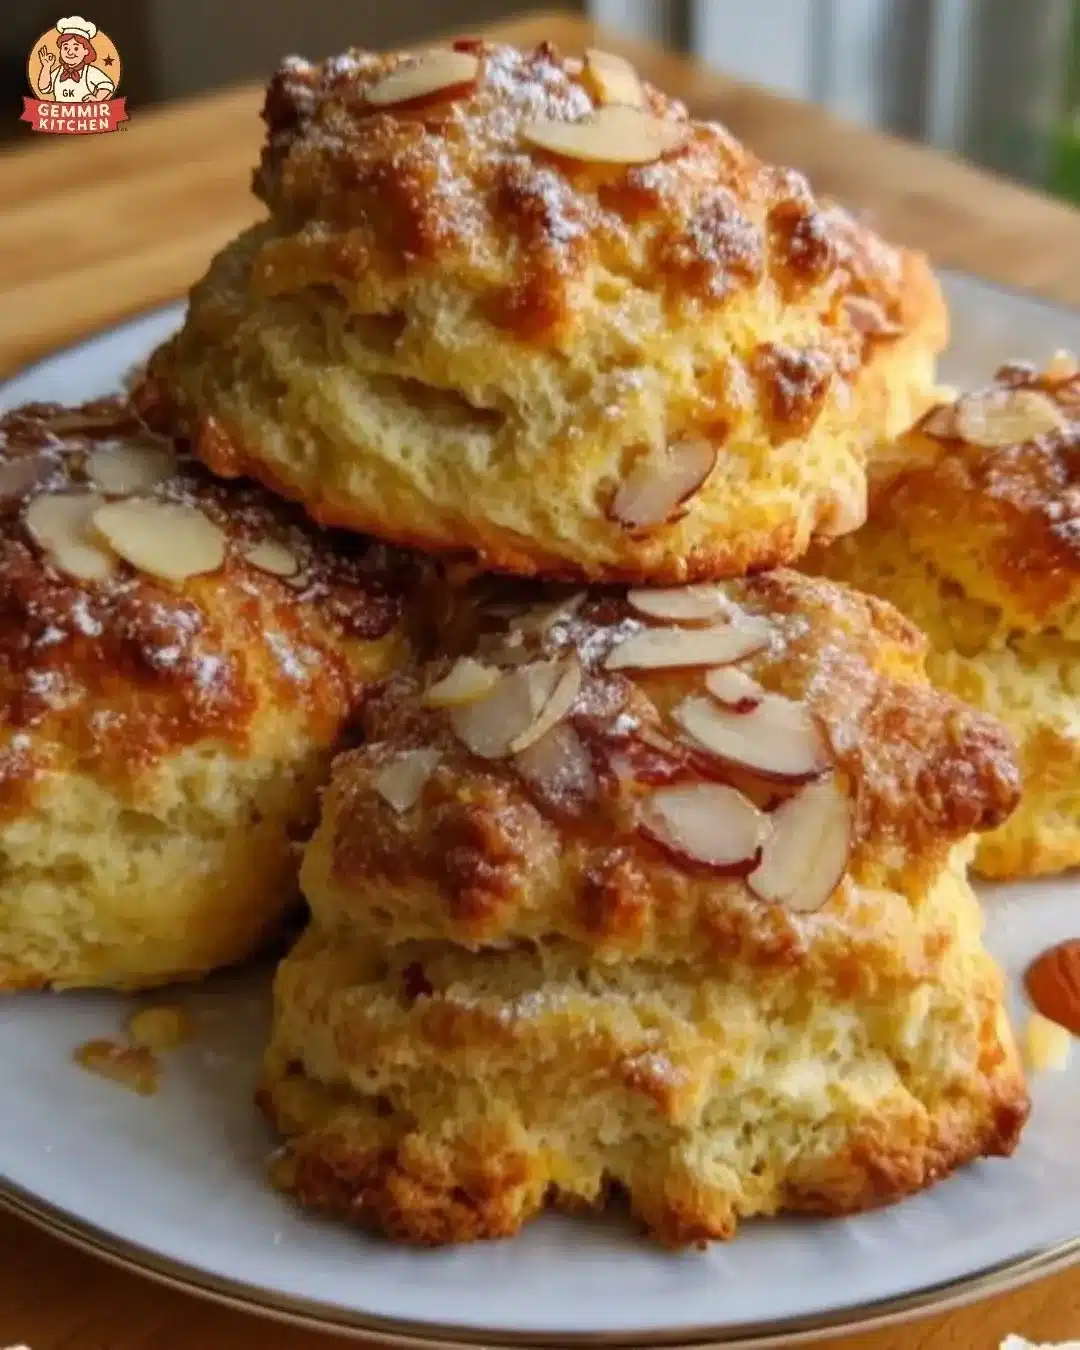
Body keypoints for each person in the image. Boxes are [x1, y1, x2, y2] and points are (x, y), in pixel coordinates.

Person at [36, 16, 115, 103]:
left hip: (86, 114)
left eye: (76, 48)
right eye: (65, 48)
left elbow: (107, 86)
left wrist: (97, 98)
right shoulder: (59, 71)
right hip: (60, 114)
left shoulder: (89, 72)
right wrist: (46, 67)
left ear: (86, 51)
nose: (70, 52)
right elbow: (44, 88)